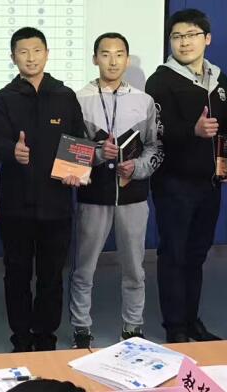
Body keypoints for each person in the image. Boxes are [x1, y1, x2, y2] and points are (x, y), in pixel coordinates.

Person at [0, 27, 86, 352]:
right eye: (23, 52)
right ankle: (21, 337)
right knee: (16, 275)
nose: (30, 58)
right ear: (13, 57)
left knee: (51, 276)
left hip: (57, 204)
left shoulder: (65, 96)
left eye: (36, 50)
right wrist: (11, 150)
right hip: (17, 204)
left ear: (47, 54)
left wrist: (76, 171)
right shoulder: (3, 98)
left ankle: (45, 338)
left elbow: (79, 140)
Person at [145, 8, 227, 343]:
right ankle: (175, 327)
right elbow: (156, 131)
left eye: (191, 35)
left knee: (197, 254)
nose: (183, 42)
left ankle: (191, 319)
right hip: (174, 182)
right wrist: (192, 131)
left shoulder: (219, 80)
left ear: (207, 39)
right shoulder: (160, 80)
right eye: (177, 36)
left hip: (210, 183)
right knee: (174, 254)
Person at [69, 33, 163, 348]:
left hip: (133, 197)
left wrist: (138, 167)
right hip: (93, 197)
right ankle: (81, 328)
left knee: (135, 269)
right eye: (105, 54)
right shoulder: (79, 99)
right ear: (95, 58)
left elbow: (154, 146)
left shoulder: (144, 100)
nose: (112, 61)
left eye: (119, 54)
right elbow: (70, 151)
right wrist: (98, 154)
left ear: (127, 58)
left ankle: (133, 326)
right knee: (84, 269)